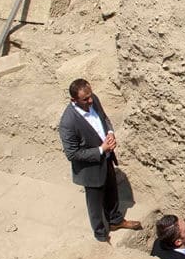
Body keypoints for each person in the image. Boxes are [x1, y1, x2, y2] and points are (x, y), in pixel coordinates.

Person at [58, 78, 141, 242]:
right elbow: (72, 154)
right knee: (95, 204)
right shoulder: (68, 123)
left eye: (90, 95)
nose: (90, 100)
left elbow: (104, 119)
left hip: (107, 159)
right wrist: (101, 149)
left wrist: (110, 133)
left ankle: (115, 221)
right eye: (85, 99)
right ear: (73, 100)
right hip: (90, 170)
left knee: (112, 191)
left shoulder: (93, 99)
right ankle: (101, 235)